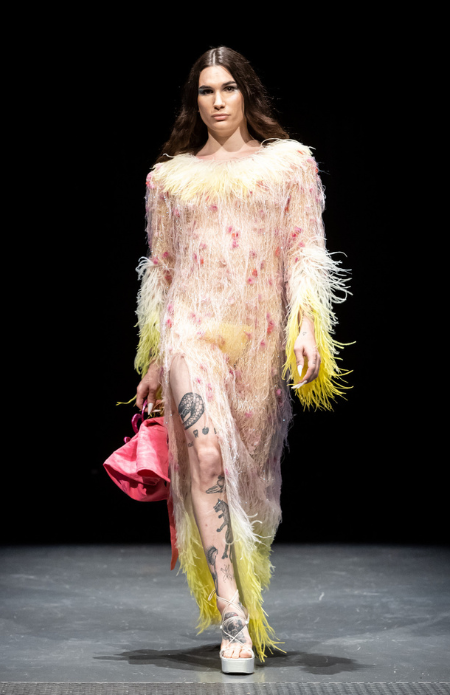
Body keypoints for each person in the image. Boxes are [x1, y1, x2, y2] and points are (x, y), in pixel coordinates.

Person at [134, 46, 349, 673]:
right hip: (190, 333)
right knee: (205, 454)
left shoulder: (289, 166)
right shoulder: (168, 180)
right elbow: (163, 271)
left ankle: (243, 593)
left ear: (247, 92)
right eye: (206, 91)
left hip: (257, 342)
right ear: (194, 101)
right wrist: (155, 358)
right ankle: (231, 615)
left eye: (228, 88)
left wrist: (307, 326)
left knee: (249, 484)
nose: (218, 101)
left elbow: (305, 248)